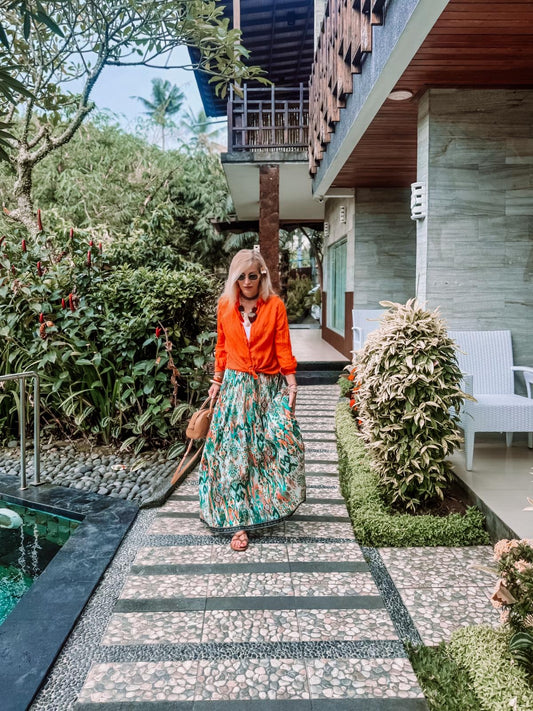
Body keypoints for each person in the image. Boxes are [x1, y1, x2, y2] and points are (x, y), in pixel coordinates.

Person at [198, 249, 306, 551]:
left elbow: (283, 346)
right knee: (235, 455)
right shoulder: (225, 305)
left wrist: (292, 384)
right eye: (241, 277)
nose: (246, 282)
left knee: (274, 447)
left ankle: (268, 505)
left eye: (252, 276)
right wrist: (216, 381)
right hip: (235, 390)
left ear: (262, 277)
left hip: (267, 389)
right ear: (234, 278)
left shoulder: (275, 306)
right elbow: (221, 346)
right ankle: (238, 522)